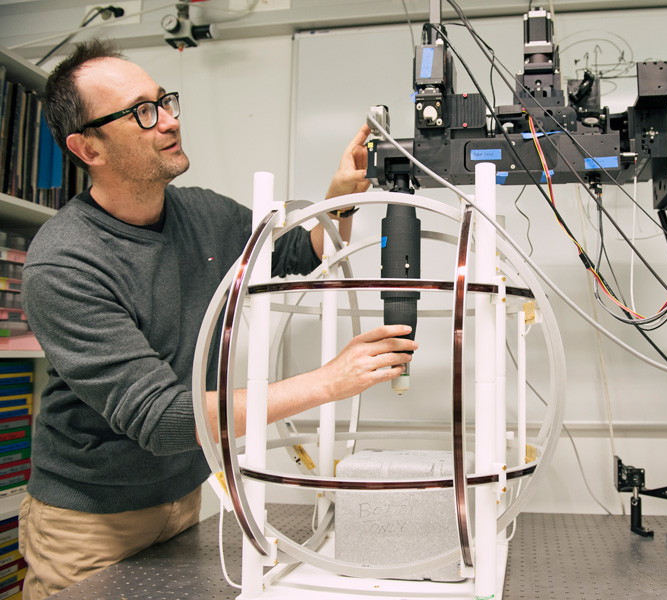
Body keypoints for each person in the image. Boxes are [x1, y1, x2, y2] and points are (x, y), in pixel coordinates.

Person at [18, 39, 415, 600]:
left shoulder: (202, 212)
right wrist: (328, 382)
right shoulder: (64, 262)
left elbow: (298, 255)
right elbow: (163, 419)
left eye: (165, 101)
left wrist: (340, 200)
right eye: (142, 112)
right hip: (89, 521)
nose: (169, 121)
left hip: (183, 498)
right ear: (88, 148)